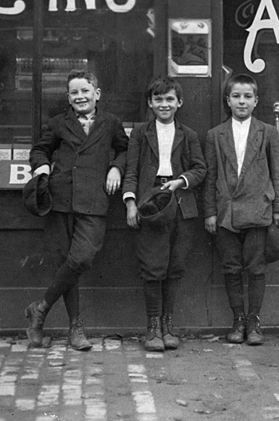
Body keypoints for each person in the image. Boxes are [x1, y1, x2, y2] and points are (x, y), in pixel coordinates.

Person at [25, 70, 129, 350]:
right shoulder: (59, 123)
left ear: (97, 93)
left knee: (81, 258)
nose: (80, 97)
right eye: (74, 93)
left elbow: (125, 149)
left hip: (94, 199)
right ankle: (75, 328)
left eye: (85, 91)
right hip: (61, 198)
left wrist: (117, 167)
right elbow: (39, 149)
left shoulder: (111, 123)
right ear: (68, 98)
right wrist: (43, 166)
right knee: (65, 263)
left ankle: (41, 308)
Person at [122, 76, 206, 352]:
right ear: (150, 103)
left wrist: (180, 181)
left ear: (179, 103)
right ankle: (152, 327)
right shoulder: (139, 133)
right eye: (158, 99)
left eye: (170, 99)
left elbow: (200, 169)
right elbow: (131, 170)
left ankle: (168, 325)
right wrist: (131, 203)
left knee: (175, 266)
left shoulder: (189, 134)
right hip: (151, 204)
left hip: (181, 204)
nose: (164, 104)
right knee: (152, 267)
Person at [203, 73, 279, 346]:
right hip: (227, 212)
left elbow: (278, 173)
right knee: (231, 267)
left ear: (256, 101)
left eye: (247, 97)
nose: (242, 101)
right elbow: (211, 176)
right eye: (236, 96)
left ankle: (254, 320)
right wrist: (210, 212)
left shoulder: (267, 133)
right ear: (228, 100)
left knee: (256, 268)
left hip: (258, 210)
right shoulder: (215, 135)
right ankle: (237, 319)